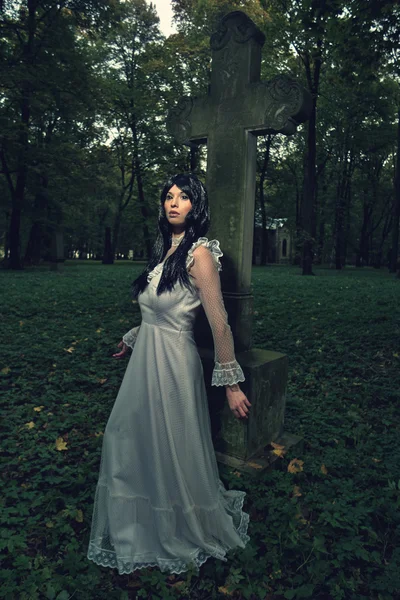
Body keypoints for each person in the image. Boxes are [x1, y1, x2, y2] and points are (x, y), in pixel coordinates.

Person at [87, 173, 251, 575]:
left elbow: (219, 323)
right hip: (145, 361)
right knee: (127, 435)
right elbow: (155, 312)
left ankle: (180, 522)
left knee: (173, 445)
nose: (173, 203)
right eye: (168, 196)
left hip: (176, 364)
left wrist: (231, 383)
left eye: (183, 197)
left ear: (197, 205)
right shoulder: (164, 251)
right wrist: (131, 338)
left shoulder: (200, 255)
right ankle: (137, 521)